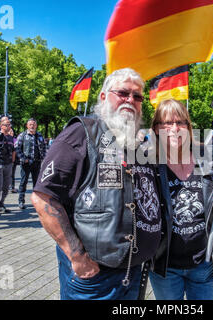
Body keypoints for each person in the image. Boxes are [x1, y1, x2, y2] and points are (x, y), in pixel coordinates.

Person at [31, 68, 162, 300]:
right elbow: (43, 198)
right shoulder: (80, 133)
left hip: (132, 272)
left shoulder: (133, 144)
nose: (130, 100)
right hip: (94, 277)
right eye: (122, 93)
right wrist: (77, 256)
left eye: (137, 96)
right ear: (103, 97)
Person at [148, 99, 213, 300]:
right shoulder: (150, 165)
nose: (175, 128)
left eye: (181, 122)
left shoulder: (212, 157)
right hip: (165, 266)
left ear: (188, 127)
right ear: (156, 129)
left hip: (205, 260)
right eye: (167, 123)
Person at [16, 118, 46, 209]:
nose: (32, 126)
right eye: (30, 124)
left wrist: (44, 158)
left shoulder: (39, 135)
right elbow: (17, 148)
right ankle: (21, 201)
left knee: (36, 183)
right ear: (27, 126)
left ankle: (36, 201)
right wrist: (23, 158)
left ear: (36, 126)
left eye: (34, 124)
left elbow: (44, 148)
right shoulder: (23, 135)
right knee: (23, 181)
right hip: (26, 163)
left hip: (37, 162)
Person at [0, 117, 15, 216]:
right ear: (1, 126)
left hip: (8, 164)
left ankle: (1, 204)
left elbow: (13, 150)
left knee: (6, 187)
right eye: (6, 125)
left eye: (9, 125)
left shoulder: (10, 137)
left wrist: (12, 162)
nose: (9, 126)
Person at [8, 128, 19, 193]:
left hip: (13, 159)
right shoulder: (4, 138)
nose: (11, 132)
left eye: (12, 131)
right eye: (9, 131)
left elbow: (17, 149)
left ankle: (12, 187)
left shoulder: (15, 140)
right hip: (5, 160)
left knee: (12, 174)